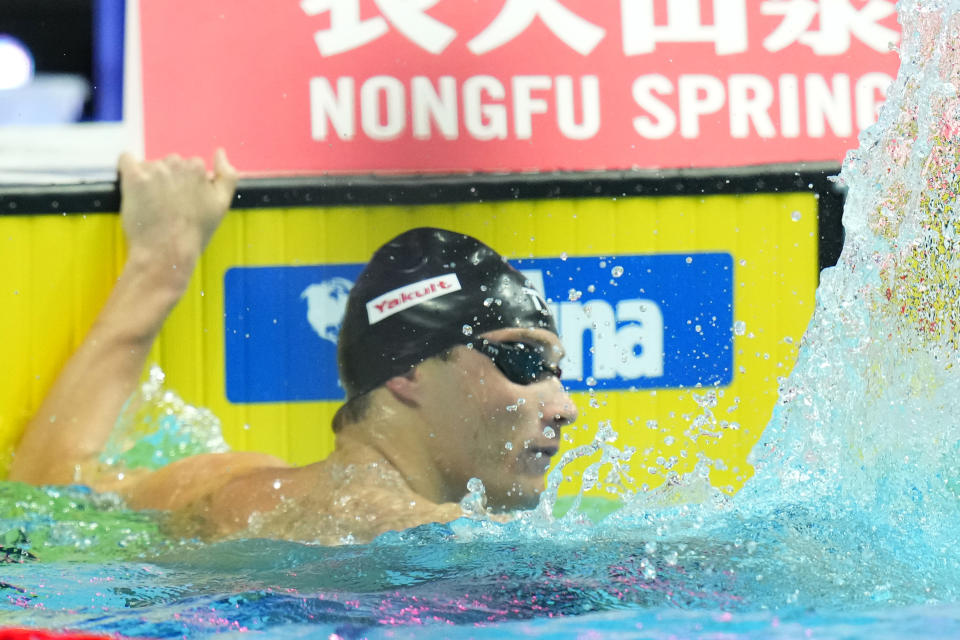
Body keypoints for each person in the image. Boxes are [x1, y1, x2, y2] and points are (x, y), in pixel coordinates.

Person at [8, 153, 578, 545]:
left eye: (556, 371)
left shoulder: (231, 489)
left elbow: (47, 487)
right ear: (408, 373)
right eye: (524, 362)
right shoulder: (415, 534)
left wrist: (161, 265)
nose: (564, 407)